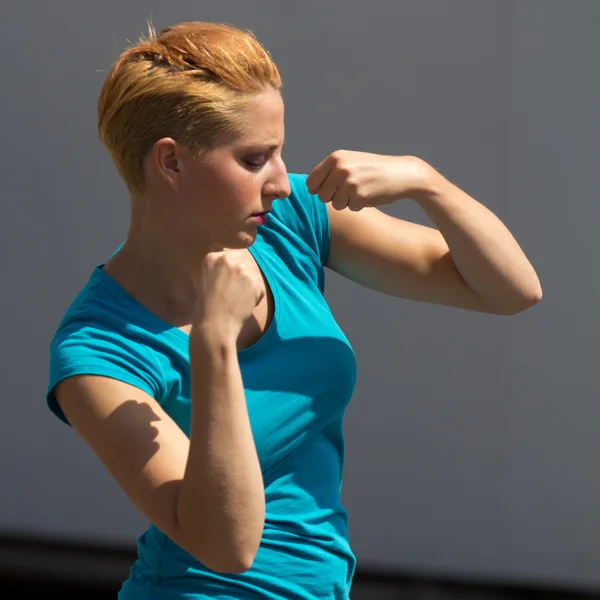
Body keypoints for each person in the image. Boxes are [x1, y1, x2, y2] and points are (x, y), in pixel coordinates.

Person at [46, 20, 542, 600]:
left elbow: (510, 290)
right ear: (171, 163)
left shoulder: (292, 222)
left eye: (279, 153)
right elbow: (227, 546)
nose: (282, 182)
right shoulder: (96, 351)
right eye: (255, 159)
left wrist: (425, 181)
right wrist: (212, 345)